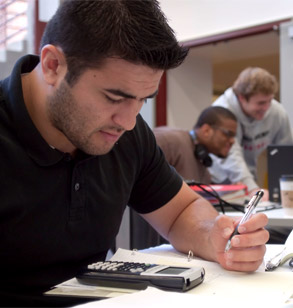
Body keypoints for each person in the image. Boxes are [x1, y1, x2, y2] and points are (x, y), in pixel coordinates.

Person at [0, 1, 269, 306]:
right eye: (114, 97)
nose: (128, 122)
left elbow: (179, 211)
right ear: (53, 66)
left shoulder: (127, 133)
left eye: (143, 99)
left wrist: (215, 236)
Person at [210, 67, 293, 201]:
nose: (266, 108)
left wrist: (286, 190)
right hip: (219, 181)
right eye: (261, 103)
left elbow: (285, 155)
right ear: (242, 98)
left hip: (248, 177)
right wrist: (253, 189)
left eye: (269, 101)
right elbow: (231, 155)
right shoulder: (221, 111)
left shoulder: (277, 112)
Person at [153, 106, 237, 184]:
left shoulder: (205, 173)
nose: (232, 141)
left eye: (234, 136)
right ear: (206, 131)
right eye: (228, 134)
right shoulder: (169, 141)